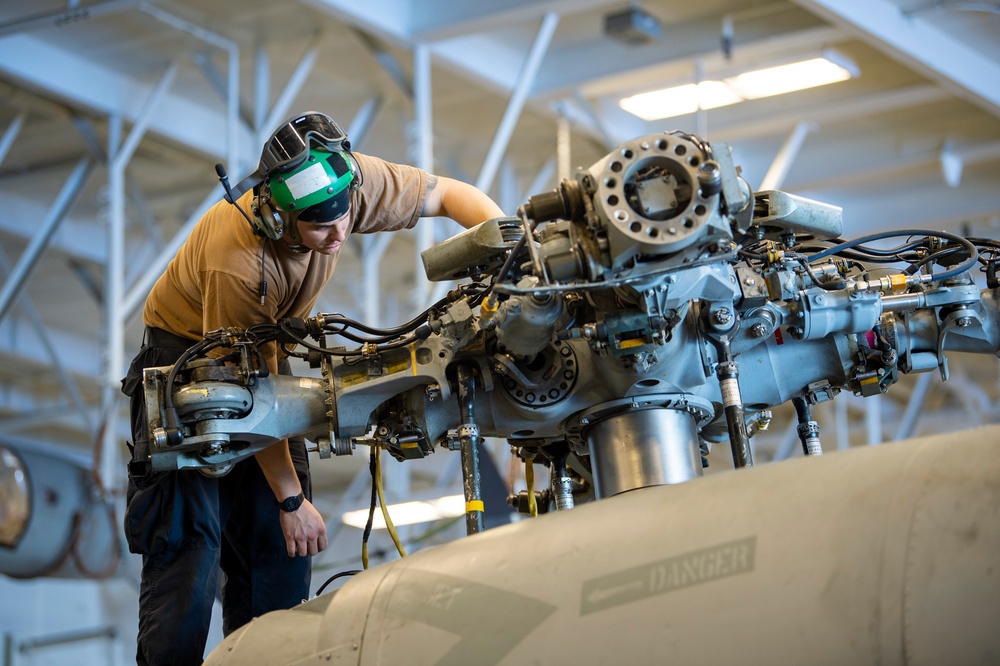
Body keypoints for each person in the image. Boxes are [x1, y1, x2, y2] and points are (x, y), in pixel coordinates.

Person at [121, 111, 504, 665]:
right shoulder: (240, 264)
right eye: (321, 227)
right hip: (192, 367)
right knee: (191, 551)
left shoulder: (343, 185)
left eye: (345, 213)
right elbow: (251, 396)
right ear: (280, 220)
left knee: (280, 551)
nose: (340, 232)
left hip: (263, 356)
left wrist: (510, 257)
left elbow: (447, 194)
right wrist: (292, 498)